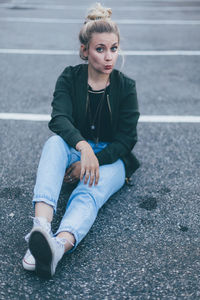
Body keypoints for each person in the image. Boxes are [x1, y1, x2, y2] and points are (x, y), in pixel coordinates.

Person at [22, 2, 140, 278]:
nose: (109, 56)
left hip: (113, 157)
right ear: (85, 51)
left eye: (113, 48)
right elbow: (58, 119)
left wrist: (94, 159)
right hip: (78, 149)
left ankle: (57, 247)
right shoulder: (69, 77)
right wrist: (83, 147)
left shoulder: (126, 86)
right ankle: (41, 228)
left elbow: (127, 139)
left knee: (89, 191)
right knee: (53, 143)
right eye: (100, 49)